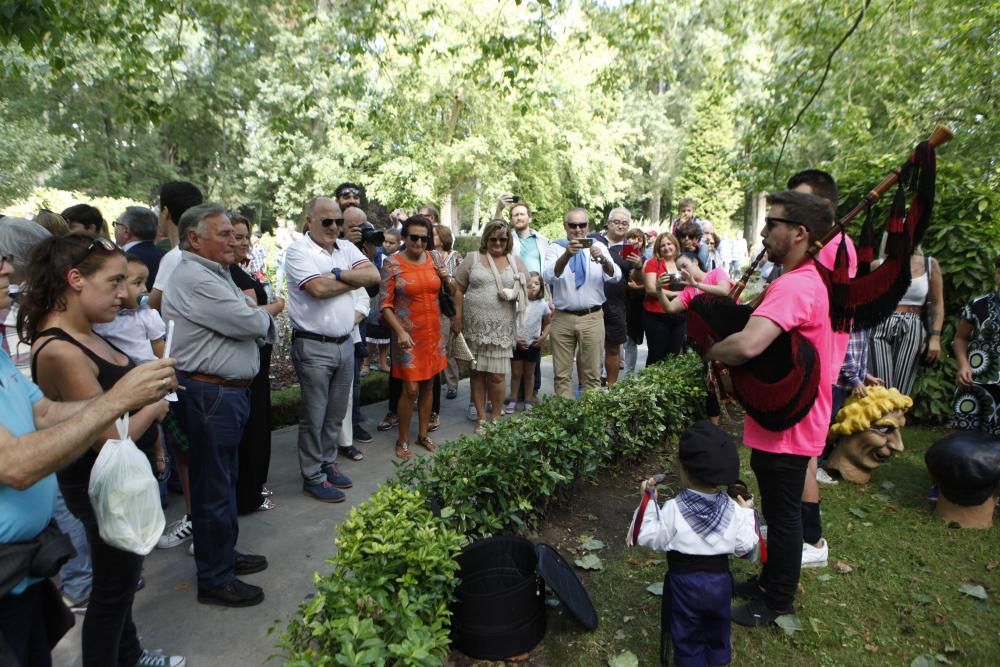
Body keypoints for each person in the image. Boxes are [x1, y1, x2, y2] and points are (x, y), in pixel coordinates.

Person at [17, 233, 184, 666]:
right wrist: (154, 406)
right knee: (112, 592)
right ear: (75, 280)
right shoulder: (61, 350)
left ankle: (130, 655)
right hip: (101, 485)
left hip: (118, 481)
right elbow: (108, 435)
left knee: (119, 586)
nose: (125, 295)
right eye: (114, 282)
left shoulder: (88, 332)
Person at [704, 190, 836, 627]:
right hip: (785, 418)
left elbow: (748, 345)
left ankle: (778, 601)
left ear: (799, 233)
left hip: (790, 422)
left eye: (772, 223)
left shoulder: (796, 285)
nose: (763, 232)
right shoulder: (800, 280)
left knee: (783, 515)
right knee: (780, 510)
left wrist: (710, 352)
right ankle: (768, 582)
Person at [162, 204, 275, 607]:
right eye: (224, 234)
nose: (234, 240)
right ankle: (214, 578)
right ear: (195, 239)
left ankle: (223, 557)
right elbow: (251, 322)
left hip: (223, 395)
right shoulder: (196, 278)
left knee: (223, 482)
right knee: (213, 487)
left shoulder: (213, 272)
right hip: (211, 396)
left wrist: (253, 313)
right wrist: (261, 314)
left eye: (234, 233)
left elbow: (247, 317)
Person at [630, 421, 758, 667]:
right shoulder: (733, 510)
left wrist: (649, 502)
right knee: (718, 626)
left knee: (687, 635)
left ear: (684, 469)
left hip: (684, 585)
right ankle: (718, 660)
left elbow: (646, 535)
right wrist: (747, 512)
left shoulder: (672, 509)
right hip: (719, 584)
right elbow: (745, 545)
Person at [284, 198, 378, 501]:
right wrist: (352, 279)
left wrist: (336, 274)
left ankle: (327, 462)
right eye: (327, 221)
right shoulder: (298, 251)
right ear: (309, 221)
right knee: (314, 416)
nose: (334, 227)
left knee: (336, 413)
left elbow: (374, 276)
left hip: (344, 343)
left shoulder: (346, 248)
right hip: (313, 345)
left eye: (338, 222)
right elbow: (318, 289)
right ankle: (312, 476)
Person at [380, 215, 450, 457]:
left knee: (429, 384)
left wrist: (446, 277)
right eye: (413, 237)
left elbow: (450, 290)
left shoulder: (435, 258)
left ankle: (423, 434)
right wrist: (399, 331)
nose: (419, 242)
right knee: (410, 389)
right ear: (404, 237)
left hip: (433, 334)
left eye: (424, 238)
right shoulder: (392, 264)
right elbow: (385, 304)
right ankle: (402, 440)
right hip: (406, 337)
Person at [229, 216, 285, 513]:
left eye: (244, 236)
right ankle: (248, 494)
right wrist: (277, 306)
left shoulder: (240, 272)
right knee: (251, 428)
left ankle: (254, 487)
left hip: (257, 361)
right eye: (235, 236)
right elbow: (250, 317)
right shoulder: (230, 275)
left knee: (258, 425)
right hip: (248, 362)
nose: (241, 242)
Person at [453, 220, 526, 430]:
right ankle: (481, 418)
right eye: (493, 239)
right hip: (474, 328)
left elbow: (528, 289)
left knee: (497, 376)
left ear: (508, 240)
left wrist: (516, 291)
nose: (498, 243)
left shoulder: (515, 262)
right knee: (477, 374)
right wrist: (457, 318)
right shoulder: (472, 258)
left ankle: (495, 418)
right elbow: (458, 289)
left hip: (501, 330)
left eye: (502, 239)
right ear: (486, 239)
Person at [543, 208, 621, 398]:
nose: (578, 229)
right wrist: (566, 255)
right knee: (561, 375)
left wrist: (603, 260)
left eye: (582, 225)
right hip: (563, 317)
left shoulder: (598, 246)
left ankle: (589, 414)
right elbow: (548, 276)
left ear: (588, 226)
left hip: (592, 316)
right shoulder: (556, 248)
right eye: (573, 225)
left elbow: (615, 276)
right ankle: (564, 414)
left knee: (593, 376)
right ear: (565, 226)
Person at [952, 254, 1000, 438]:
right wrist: (963, 365)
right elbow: (960, 338)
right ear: (996, 274)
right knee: (966, 438)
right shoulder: (978, 305)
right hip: (976, 380)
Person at [594, 207, 641, 387]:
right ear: (608, 223)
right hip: (592, 302)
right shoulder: (594, 240)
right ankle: (588, 386)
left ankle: (611, 387)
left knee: (613, 348)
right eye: (616, 222)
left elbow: (637, 280)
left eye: (625, 223)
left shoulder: (630, 249)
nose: (620, 226)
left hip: (616, 304)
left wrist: (639, 265)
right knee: (589, 348)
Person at [148, 181, 204, 310]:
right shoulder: (203, 252)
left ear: (165, 212)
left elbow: (153, 305)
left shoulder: (175, 257)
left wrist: (137, 297)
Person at [642, 232, 686, 366]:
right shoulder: (653, 263)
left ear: (675, 245)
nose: (666, 247)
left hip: (679, 315)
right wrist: (674, 294)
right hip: (657, 315)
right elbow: (650, 288)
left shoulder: (682, 262)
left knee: (673, 355)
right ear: (658, 248)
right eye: (662, 245)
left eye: (669, 244)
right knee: (656, 356)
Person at [509, 272, 550, 412]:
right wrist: (514, 338)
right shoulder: (517, 302)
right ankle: (513, 399)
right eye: (529, 283)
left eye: (536, 283)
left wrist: (543, 337)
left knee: (529, 374)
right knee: (516, 374)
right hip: (517, 344)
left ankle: (528, 400)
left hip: (533, 344)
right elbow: (509, 322)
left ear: (541, 287)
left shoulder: (543, 305)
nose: (533, 286)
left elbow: (548, 323)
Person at [435, 224, 463, 399]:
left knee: (447, 346)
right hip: (432, 305)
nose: (431, 238)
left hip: (449, 305)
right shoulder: (428, 255)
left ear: (443, 237)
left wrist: (448, 278)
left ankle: (452, 384)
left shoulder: (455, 256)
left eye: (435, 235)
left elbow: (462, 283)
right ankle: (434, 383)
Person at [112, 206, 165, 290]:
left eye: (116, 224)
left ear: (126, 231)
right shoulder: (166, 256)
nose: (115, 228)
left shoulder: (122, 260)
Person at [622, 228, 648, 377]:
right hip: (621, 301)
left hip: (637, 303)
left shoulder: (645, 260)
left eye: (639, 239)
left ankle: (628, 375)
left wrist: (637, 287)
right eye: (632, 238)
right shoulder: (620, 256)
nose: (635, 241)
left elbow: (651, 284)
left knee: (631, 340)